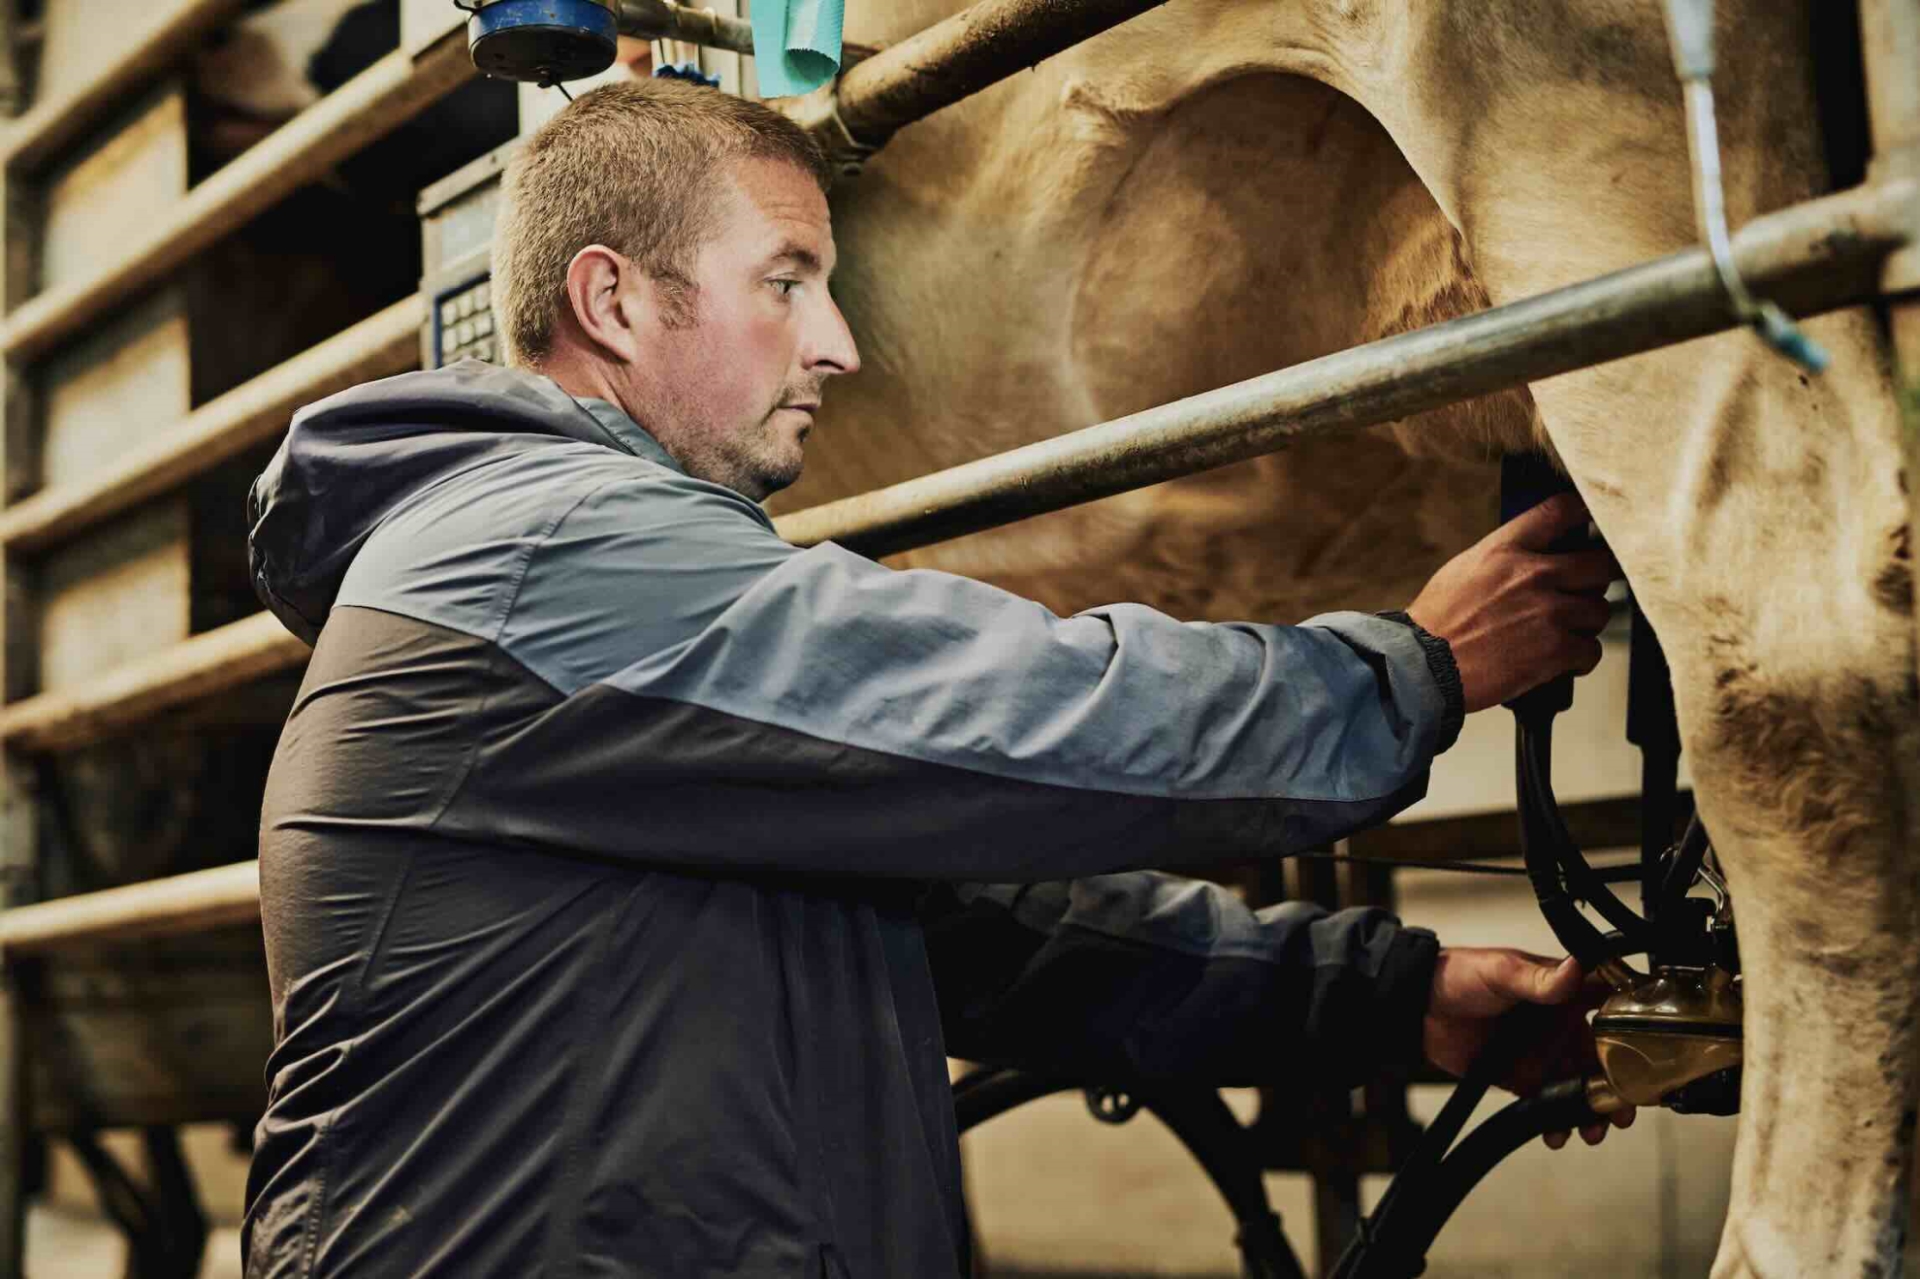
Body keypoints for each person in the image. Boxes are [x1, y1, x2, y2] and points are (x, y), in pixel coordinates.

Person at [241, 78, 1630, 1279]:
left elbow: (991, 940)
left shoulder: (555, 596)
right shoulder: (547, 552)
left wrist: (1396, 996)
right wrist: (1416, 670)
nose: (837, 342)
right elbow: (1022, 713)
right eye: (786, 280)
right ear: (613, 299)